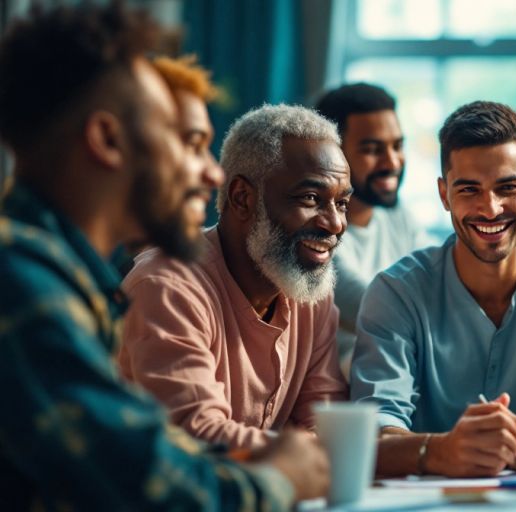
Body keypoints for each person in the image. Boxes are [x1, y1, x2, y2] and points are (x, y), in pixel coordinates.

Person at [0, 3, 326, 508]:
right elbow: (152, 487)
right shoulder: (21, 283)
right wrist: (280, 477)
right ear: (107, 140)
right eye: (186, 142)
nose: (212, 174)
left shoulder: (62, 277)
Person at [350, 101, 516, 477]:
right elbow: (371, 432)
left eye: (508, 187)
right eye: (469, 190)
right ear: (444, 195)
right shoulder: (395, 293)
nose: (490, 209)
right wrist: (442, 450)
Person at [118, 102, 350, 450]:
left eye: (342, 203)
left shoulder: (310, 290)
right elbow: (196, 435)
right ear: (242, 198)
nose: (334, 223)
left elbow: (326, 419)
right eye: (310, 198)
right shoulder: (166, 285)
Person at [315, 83, 434, 373]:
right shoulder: (314, 229)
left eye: (397, 146)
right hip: (343, 398)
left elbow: (446, 279)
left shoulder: (397, 217)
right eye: (372, 149)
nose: (392, 162)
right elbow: (374, 310)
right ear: (333, 156)